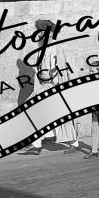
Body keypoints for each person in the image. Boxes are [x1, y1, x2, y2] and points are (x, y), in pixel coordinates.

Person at [22, 19, 79, 154]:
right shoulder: (41, 50)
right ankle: (37, 144)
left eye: (42, 33)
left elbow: (61, 68)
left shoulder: (57, 49)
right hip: (44, 86)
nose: (39, 36)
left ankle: (74, 143)